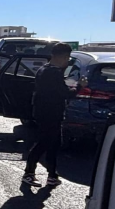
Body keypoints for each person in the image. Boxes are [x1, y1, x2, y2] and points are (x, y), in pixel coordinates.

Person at [22, 42, 85, 188]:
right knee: (44, 143)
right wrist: (79, 86)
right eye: (68, 58)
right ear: (64, 57)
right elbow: (65, 93)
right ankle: (29, 173)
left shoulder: (44, 69)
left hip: (43, 112)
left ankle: (52, 176)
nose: (67, 61)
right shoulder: (54, 73)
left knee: (53, 144)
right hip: (50, 113)